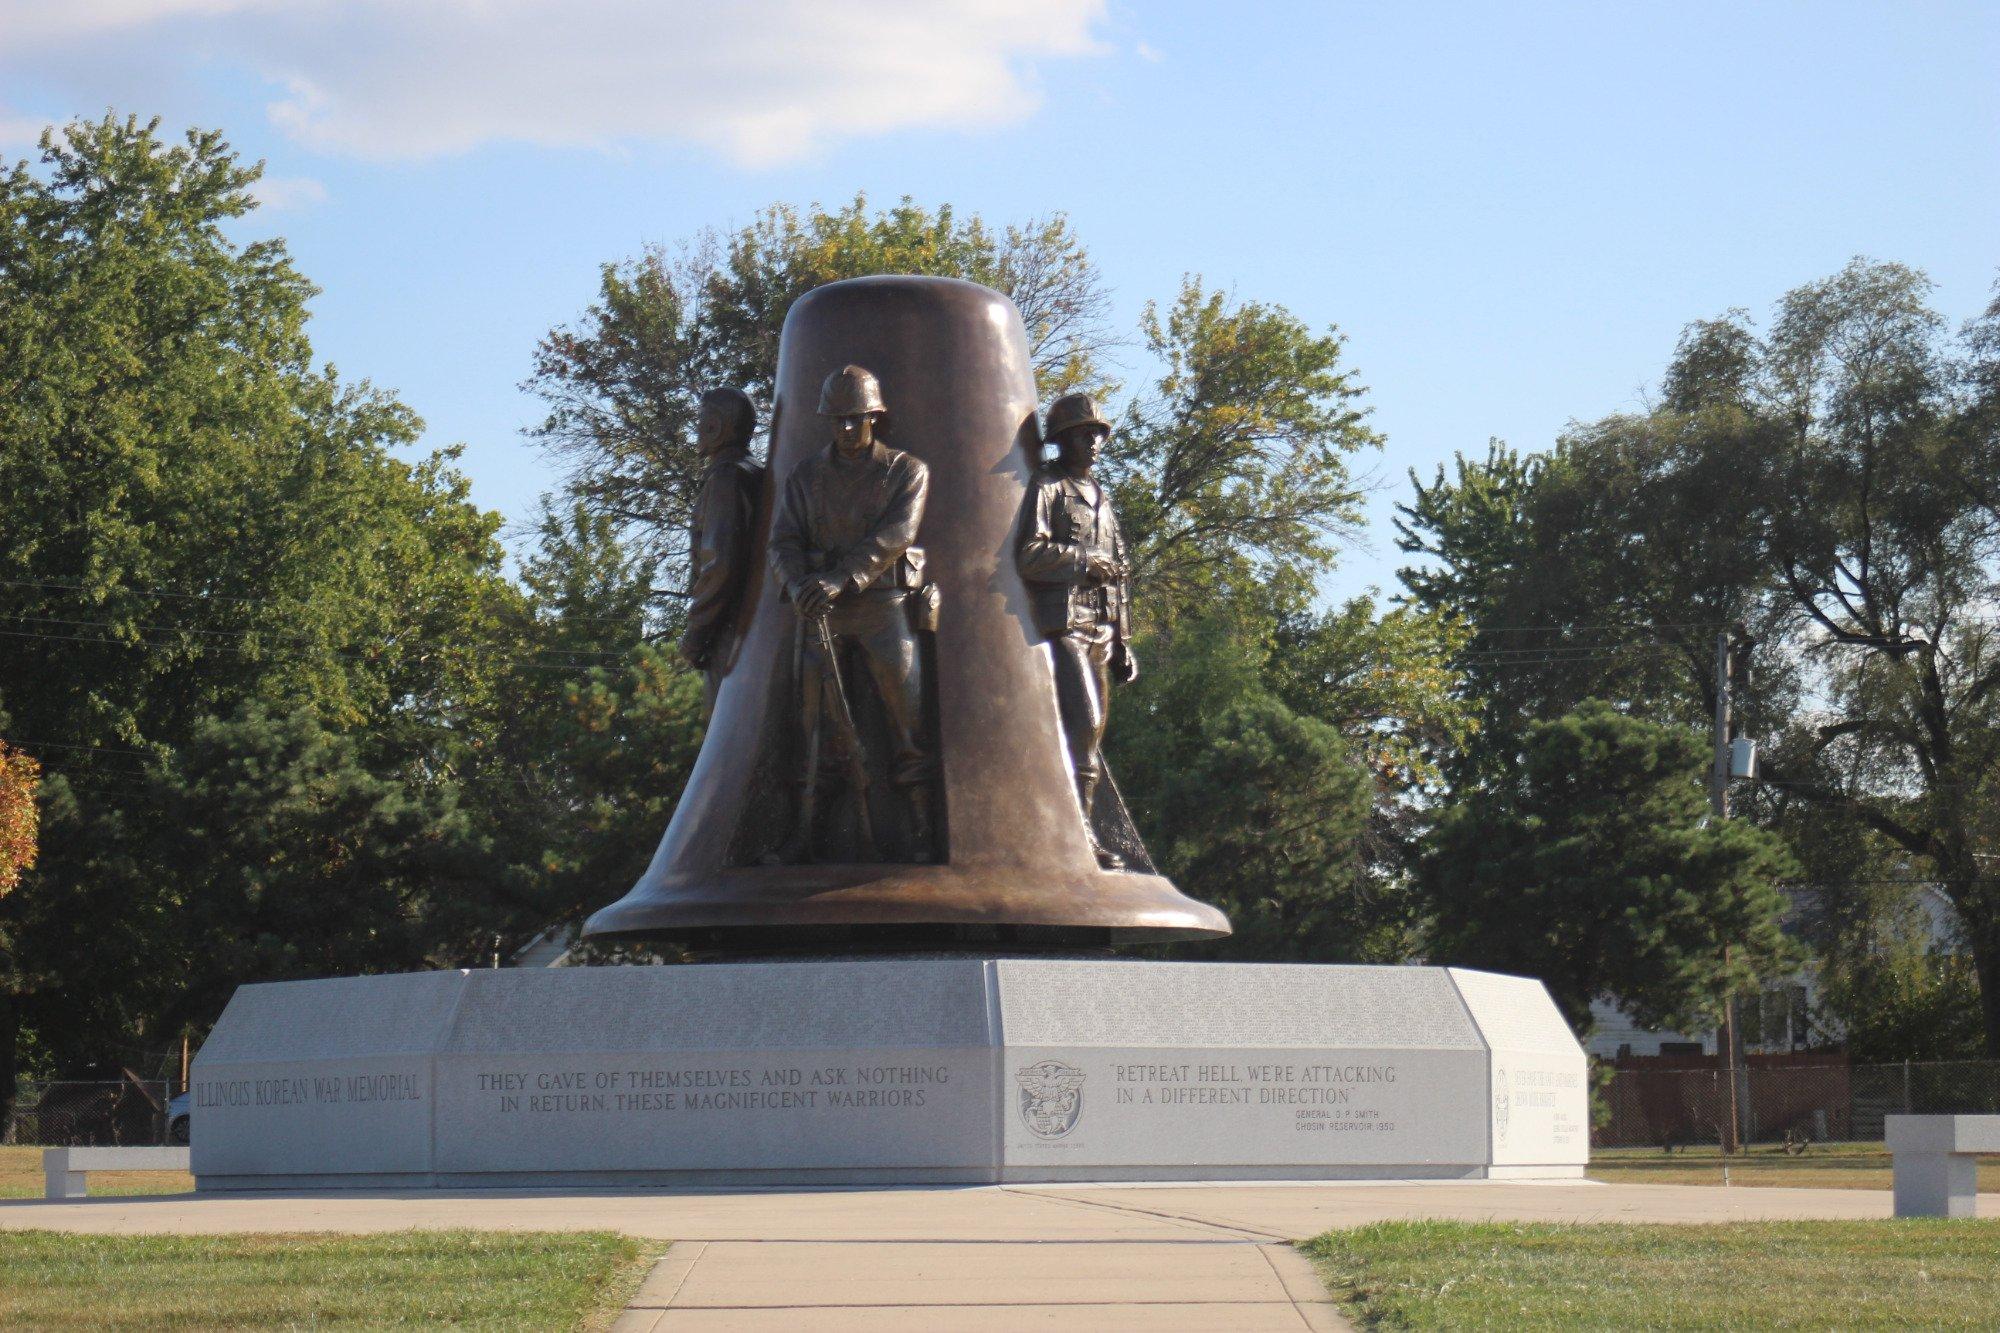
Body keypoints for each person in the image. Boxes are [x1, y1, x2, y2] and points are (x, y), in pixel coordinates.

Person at [767, 365, 936, 862]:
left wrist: (840, 579)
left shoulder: (907, 471)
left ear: (874, 418)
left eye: (854, 419)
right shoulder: (805, 476)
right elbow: (783, 540)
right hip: (820, 612)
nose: (844, 428)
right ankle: (804, 833)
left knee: (907, 722)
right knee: (812, 728)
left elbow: (897, 535)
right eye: (836, 419)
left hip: (883, 606)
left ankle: (922, 831)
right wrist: (797, 585)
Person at [1017, 391, 1137, 870]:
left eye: (1097, 434)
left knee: (1095, 735)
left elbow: (1123, 573)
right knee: (1082, 726)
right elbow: (1029, 552)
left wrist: (1124, 639)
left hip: (1100, 630)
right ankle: (1081, 837)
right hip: (1063, 623)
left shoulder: (1104, 499)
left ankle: (1078, 830)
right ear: (1061, 441)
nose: (1093, 441)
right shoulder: (1047, 487)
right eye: (1083, 434)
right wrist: (1086, 561)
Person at [676, 387, 764, 714]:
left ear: (715, 426)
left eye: (701, 421)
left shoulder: (727, 477)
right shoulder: (752, 473)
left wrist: (696, 634)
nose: (697, 429)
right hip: (750, 625)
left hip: (732, 630)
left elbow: (720, 564)